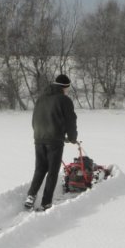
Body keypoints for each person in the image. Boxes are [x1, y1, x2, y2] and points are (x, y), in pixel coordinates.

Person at [24, 74, 78, 211]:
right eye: (68, 88)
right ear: (65, 86)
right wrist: (72, 137)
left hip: (38, 138)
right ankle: (46, 202)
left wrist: (38, 134)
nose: (67, 90)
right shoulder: (64, 100)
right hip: (54, 140)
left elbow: (34, 119)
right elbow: (71, 120)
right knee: (53, 171)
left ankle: (30, 196)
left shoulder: (41, 98)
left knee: (40, 168)